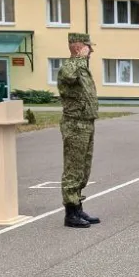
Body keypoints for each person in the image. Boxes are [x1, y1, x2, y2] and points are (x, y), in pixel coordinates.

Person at [57, 33, 101, 228]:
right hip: (74, 124)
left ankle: (78, 206)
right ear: (77, 47)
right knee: (73, 169)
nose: (90, 50)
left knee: (83, 169)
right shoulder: (70, 66)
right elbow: (67, 75)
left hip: (86, 122)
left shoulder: (82, 68)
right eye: (87, 47)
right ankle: (70, 213)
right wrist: (78, 57)